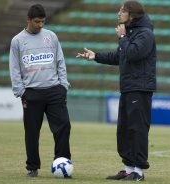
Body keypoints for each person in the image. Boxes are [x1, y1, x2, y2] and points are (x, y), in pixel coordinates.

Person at [77, 0, 156, 181]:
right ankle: (128, 168)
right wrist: (95, 56)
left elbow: (134, 53)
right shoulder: (131, 33)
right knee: (124, 129)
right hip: (128, 87)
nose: (119, 13)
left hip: (140, 88)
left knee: (137, 129)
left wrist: (122, 38)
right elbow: (120, 56)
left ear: (133, 15)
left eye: (122, 10)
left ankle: (139, 171)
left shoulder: (145, 34)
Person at [9, 4, 72, 178]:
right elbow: (14, 69)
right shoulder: (17, 41)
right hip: (31, 93)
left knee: (64, 126)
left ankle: (63, 163)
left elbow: (60, 61)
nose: (40, 25)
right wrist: (21, 92)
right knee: (31, 132)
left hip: (54, 91)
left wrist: (63, 85)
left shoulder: (51, 36)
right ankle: (32, 167)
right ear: (28, 20)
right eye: (37, 22)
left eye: (43, 21)